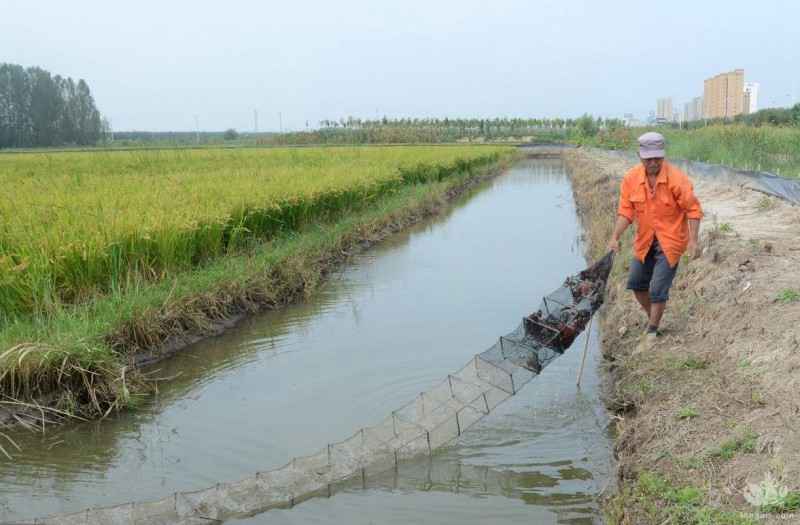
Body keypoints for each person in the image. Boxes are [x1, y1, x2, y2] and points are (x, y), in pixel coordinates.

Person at [607, 132, 703, 353]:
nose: (653, 163)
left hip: (671, 241)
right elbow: (626, 212)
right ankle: (654, 318)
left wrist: (694, 241)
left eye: (657, 158)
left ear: (663, 155)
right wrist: (614, 237)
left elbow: (693, 210)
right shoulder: (631, 179)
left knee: (659, 288)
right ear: (639, 156)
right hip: (645, 240)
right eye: (648, 158)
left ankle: (652, 331)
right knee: (636, 283)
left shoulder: (677, 179)